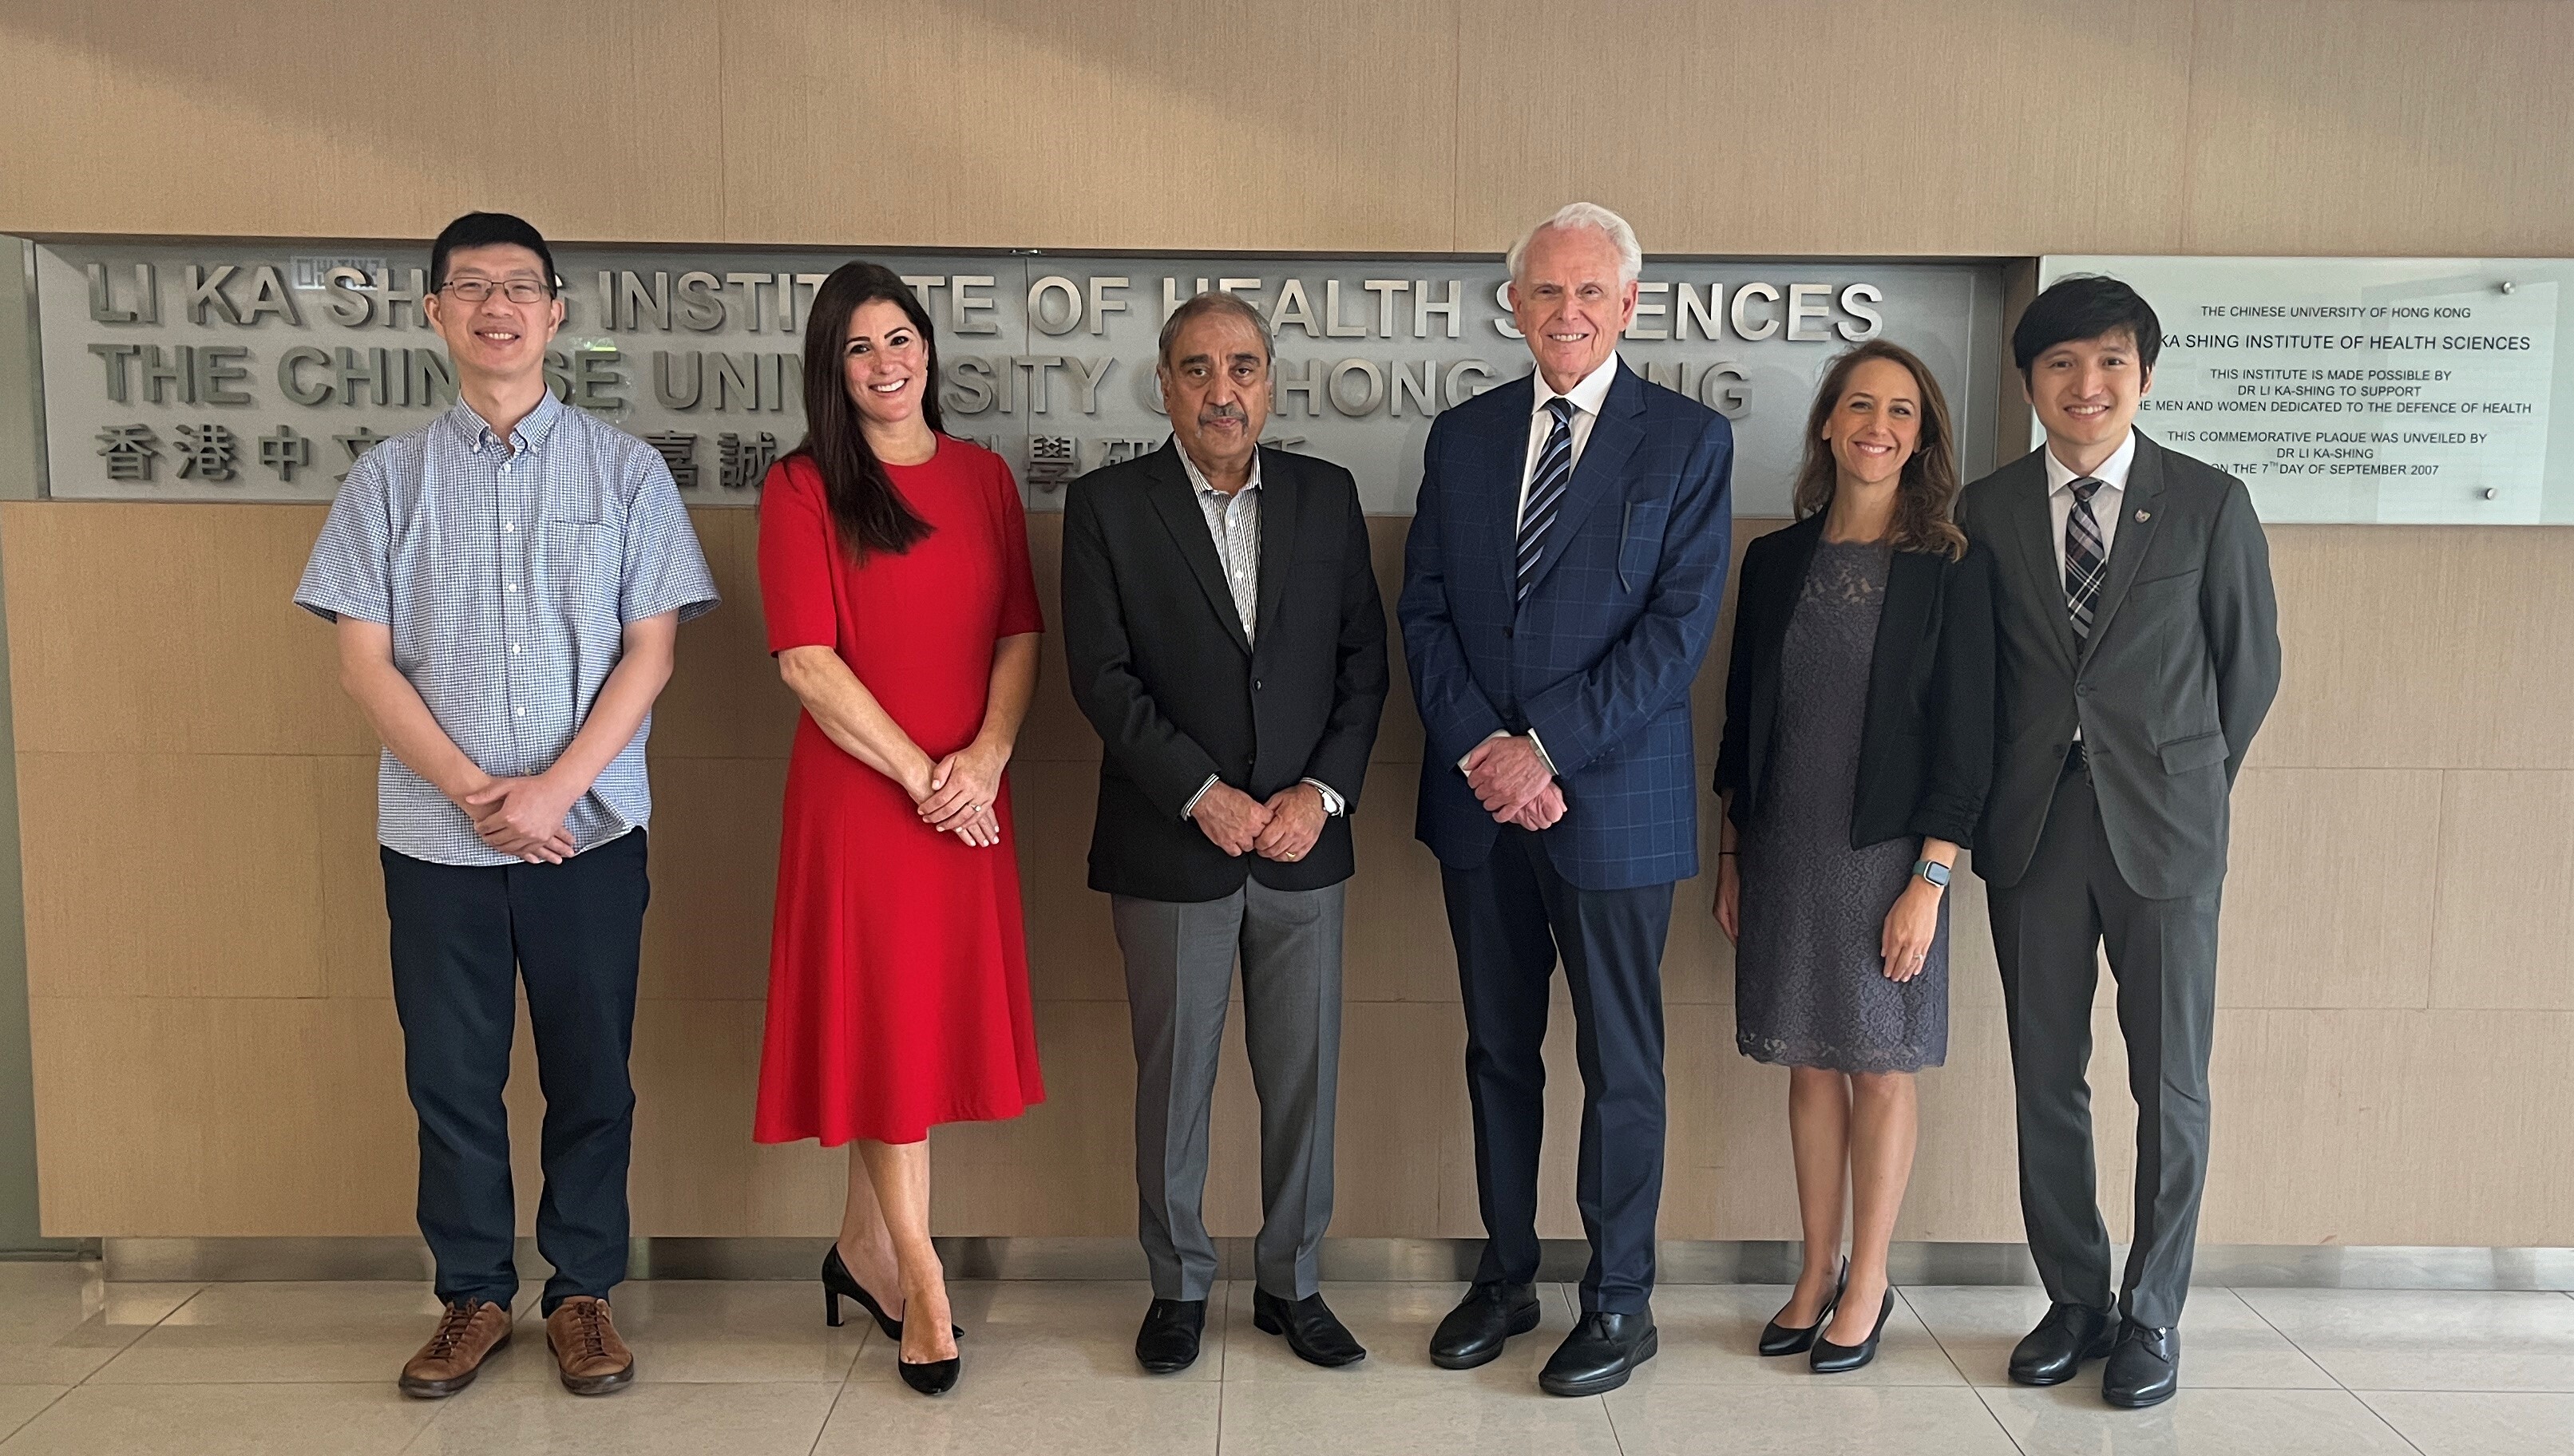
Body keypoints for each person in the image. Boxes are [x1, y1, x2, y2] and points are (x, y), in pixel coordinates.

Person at [294, 212, 719, 1399]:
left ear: (556, 313)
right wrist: (482, 796)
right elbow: (363, 663)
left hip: (589, 836)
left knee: (594, 1073)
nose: (498, 306)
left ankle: (583, 1295)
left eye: (521, 287)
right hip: (437, 841)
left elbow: (653, 652)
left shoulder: (627, 472)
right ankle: (472, 1296)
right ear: (435, 313)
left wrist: (553, 794)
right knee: (450, 1075)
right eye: (471, 287)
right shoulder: (387, 480)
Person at [1399, 202, 1733, 1396]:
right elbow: (1426, 612)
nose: (1569, 312)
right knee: (1499, 1050)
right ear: (1515, 305)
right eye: (1547, 292)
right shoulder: (1465, 436)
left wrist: (1542, 748)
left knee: (1621, 1061)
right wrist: (1488, 748)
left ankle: (1620, 1301)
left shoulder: (1688, 442)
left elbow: (1676, 635)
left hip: (1615, 805)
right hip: (1480, 806)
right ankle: (1503, 1275)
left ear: (1632, 305)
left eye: (1592, 293)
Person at [1956, 275, 2280, 1408]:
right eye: (2059, 365)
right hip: (2034, 829)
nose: (2084, 386)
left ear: (2143, 374)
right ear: (2031, 382)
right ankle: (2075, 1297)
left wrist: (2186, 778)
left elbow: (2250, 672)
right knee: (2049, 1075)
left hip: (2170, 834)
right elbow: (1978, 681)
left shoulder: (2207, 502)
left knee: (2170, 1083)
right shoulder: (1986, 509)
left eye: (2108, 363)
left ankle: (2153, 1312)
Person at [1061, 291, 1389, 1375]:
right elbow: (1101, 680)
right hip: (1170, 844)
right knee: (1175, 1082)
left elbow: (1363, 667)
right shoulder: (1108, 506)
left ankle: (1294, 1283)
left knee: (1304, 1077)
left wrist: (1320, 796)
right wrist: (1201, 791)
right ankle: (1179, 1287)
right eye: (1197, 370)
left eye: (1242, 367)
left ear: (1271, 381)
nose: (1222, 390)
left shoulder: (1328, 500)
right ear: (1164, 385)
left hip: (1306, 846)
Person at [750, 260, 1046, 1399]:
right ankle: (922, 1280)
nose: (887, 363)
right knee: (885, 1030)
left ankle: (864, 1248)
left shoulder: (981, 478)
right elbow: (805, 661)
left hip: (970, 797)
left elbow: (1020, 631)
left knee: (917, 1029)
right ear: (833, 371)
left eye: (900, 338)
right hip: (864, 802)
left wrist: (985, 761)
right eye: (859, 349)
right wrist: (927, 775)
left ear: (928, 345)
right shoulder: (803, 486)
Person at [1713, 341, 1994, 1374]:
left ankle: (1868, 1282)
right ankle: (1814, 1267)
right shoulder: (1775, 560)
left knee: (1878, 1065)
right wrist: (1734, 850)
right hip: (1787, 847)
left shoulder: (1951, 568)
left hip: (1892, 859)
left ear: (1923, 440)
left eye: (1903, 413)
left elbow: (1973, 740)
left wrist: (1931, 880)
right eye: (1861, 406)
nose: (1880, 425)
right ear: (1828, 423)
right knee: (1810, 1064)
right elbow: (1745, 720)